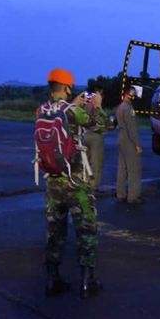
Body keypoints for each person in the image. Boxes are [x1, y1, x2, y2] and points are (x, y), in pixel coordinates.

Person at [38, 68, 102, 298]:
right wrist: (96, 105)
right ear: (67, 87)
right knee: (86, 230)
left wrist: (73, 105)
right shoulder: (73, 111)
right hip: (76, 182)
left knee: (54, 232)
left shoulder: (41, 110)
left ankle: (52, 279)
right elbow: (100, 125)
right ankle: (87, 281)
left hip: (52, 181)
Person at [116, 86, 143, 203]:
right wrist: (137, 144)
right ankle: (133, 196)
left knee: (122, 168)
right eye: (133, 94)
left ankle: (120, 194)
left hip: (121, 137)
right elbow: (131, 128)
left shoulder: (120, 107)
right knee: (133, 169)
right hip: (128, 139)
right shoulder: (128, 108)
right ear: (129, 94)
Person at [83, 88, 107, 192]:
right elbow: (101, 117)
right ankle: (94, 186)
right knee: (96, 162)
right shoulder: (97, 101)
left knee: (86, 161)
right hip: (95, 135)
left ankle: (85, 183)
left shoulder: (86, 101)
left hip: (85, 133)